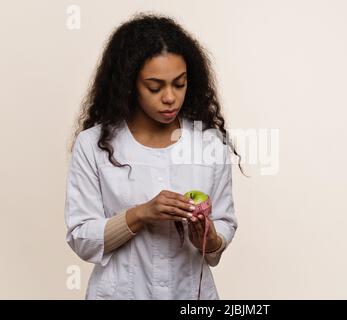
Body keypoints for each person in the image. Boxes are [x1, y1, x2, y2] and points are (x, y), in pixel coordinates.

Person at [64, 12, 245, 300]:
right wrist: (141, 215)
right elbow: (82, 238)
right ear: (129, 84)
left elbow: (224, 224)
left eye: (180, 83)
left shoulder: (209, 144)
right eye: (155, 87)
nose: (170, 97)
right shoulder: (93, 145)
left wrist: (208, 239)